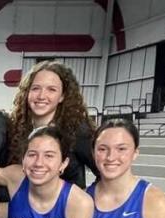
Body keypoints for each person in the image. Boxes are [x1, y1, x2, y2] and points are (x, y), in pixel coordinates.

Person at [7, 60, 97, 189]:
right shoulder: (14, 129)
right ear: (27, 93)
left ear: (62, 96)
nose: (42, 96)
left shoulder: (77, 130)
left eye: (51, 89)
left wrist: (84, 200)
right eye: (35, 88)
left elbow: (104, 173)